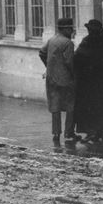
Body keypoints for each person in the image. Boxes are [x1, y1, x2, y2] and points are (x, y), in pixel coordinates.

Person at [73, 19, 103, 144]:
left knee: (89, 106)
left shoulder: (88, 41)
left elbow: (78, 56)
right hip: (102, 79)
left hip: (88, 80)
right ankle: (99, 131)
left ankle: (92, 132)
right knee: (100, 105)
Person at [39, 17, 77, 145]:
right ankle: (68, 133)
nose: (72, 31)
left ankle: (56, 133)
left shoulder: (51, 40)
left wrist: (49, 67)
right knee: (70, 106)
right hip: (66, 80)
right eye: (70, 29)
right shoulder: (68, 43)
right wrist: (74, 76)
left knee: (55, 107)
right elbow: (69, 62)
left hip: (51, 79)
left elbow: (41, 53)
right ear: (65, 29)